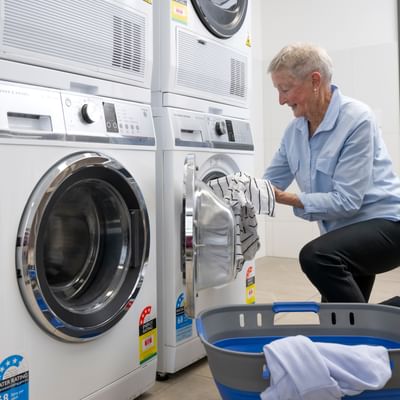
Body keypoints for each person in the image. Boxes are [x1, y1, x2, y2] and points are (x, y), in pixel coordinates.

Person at [263, 43, 400, 304]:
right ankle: (367, 331)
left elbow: (347, 201)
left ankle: (386, 317)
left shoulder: (357, 118)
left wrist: (288, 198)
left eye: (285, 89)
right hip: (344, 237)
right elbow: (269, 184)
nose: (281, 100)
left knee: (316, 256)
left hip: (387, 227)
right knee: (335, 324)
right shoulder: (294, 132)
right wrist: (235, 192)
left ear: (315, 80)